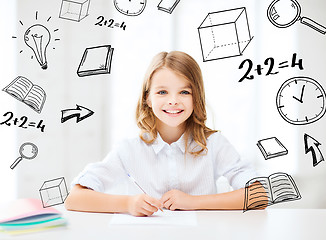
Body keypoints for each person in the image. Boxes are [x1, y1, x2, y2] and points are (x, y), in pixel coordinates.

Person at [65, 51, 263, 216]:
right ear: (148, 98)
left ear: (197, 98)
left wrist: (192, 202)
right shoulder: (129, 149)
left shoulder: (214, 143)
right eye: (162, 92)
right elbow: (74, 198)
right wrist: (128, 204)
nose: (173, 101)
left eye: (185, 92)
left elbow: (259, 196)